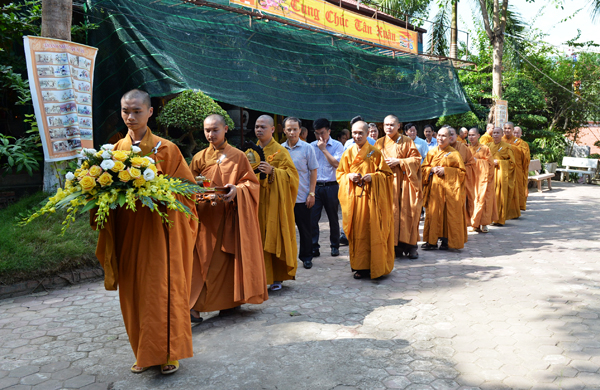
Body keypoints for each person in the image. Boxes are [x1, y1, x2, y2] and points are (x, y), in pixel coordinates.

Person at [93, 89, 198, 375]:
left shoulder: (167, 149)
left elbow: (188, 193)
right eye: (125, 111)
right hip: (128, 235)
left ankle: (168, 353)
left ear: (150, 112)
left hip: (159, 236)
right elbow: (103, 199)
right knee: (134, 294)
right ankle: (143, 352)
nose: (130, 117)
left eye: (137, 111)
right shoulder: (113, 153)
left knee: (162, 292)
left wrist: (161, 192)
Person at [189, 114, 268, 322]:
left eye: (215, 130)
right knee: (201, 262)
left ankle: (229, 303)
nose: (210, 134)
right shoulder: (198, 158)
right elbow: (187, 186)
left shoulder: (238, 156)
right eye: (207, 130)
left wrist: (237, 189)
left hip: (229, 218)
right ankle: (194, 306)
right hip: (205, 218)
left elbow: (251, 184)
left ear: (225, 129)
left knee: (225, 262)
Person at [337, 120, 394, 279]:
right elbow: (340, 175)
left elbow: (387, 176)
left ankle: (376, 265)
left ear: (367, 133)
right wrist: (349, 176)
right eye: (354, 133)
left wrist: (374, 177)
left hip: (372, 200)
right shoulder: (348, 153)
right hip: (354, 201)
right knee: (358, 234)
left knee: (374, 232)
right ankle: (360, 267)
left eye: (360, 133)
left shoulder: (375, 152)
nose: (357, 136)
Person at [255, 115, 299, 291]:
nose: (259, 130)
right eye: (257, 127)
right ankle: (258, 277)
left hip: (275, 203)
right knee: (257, 239)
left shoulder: (281, 151)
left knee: (274, 236)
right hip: (256, 203)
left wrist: (274, 171)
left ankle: (276, 278)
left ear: (273, 129)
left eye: (263, 127)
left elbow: (293, 178)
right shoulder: (249, 152)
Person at [376, 115, 422, 259]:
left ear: (398, 126)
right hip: (386, 185)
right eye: (386, 125)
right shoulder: (379, 143)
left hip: (404, 185)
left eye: (391, 125)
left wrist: (399, 161)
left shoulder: (407, 141)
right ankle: (394, 246)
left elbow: (417, 160)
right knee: (389, 215)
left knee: (408, 214)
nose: (388, 127)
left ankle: (411, 246)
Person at [421, 127, 467, 250]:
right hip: (434, 190)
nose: (440, 138)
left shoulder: (454, 154)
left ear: (449, 138)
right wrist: (431, 169)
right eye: (439, 135)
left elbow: (462, 173)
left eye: (444, 136)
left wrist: (446, 170)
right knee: (433, 214)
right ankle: (431, 241)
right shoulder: (432, 153)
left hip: (449, 191)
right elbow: (423, 169)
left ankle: (447, 241)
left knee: (448, 215)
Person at [282, 117, 319, 269]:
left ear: (300, 130)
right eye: (289, 129)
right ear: (284, 130)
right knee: (285, 229)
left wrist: (311, 193)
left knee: (305, 229)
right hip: (284, 198)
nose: (292, 132)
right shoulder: (279, 149)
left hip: (302, 196)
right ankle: (286, 258)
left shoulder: (307, 148)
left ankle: (306, 256)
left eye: (295, 129)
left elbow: (313, 170)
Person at [311, 118, 344, 257]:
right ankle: (314, 247)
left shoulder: (337, 146)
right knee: (313, 218)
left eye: (323, 133)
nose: (320, 137)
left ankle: (334, 246)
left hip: (332, 186)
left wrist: (324, 150)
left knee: (333, 218)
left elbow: (337, 164)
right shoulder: (311, 146)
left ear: (329, 131)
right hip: (316, 187)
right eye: (317, 133)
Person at [466, 128, 498, 233]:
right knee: (472, 201)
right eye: (469, 135)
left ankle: (484, 224)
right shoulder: (466, 148)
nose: (471, 137)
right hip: (471, 180)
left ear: (478, 135)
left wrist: (477, 161)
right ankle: (474, 223)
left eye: (473, 135)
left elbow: (490, 163)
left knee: (484, 200)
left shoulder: (484, 148)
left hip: (483, 179)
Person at [489, 127, 517, 225]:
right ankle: (490, 218)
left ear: (501, 135)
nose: (495, 135)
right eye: (494, 133)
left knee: (500, 197)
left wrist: (500, 162)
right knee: (490, 197)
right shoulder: (488, 146)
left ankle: (500, 219)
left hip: (501, 175)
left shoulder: (507, 146)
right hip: (490, 175)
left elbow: (512, 163)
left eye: (498, 133)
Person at [501, 122, 522, 220]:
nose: (507, 130)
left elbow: (525, 155)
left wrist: (510, 147)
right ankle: (502, 212)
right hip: (502, 171)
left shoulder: (519, 142)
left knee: (514, 191)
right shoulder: (499, 141)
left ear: (513, 130)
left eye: (509, 128)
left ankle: (513, 212)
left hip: (515, 170)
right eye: (505, 128)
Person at [512, 126, 531, 211]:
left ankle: (518, 206)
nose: (516, 134)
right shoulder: (505, 142)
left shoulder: (524, 144)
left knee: (520, 188)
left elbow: (527, 158)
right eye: (514, 132)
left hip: (519, 169)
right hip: (509, 169)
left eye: (517, 132)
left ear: (521, 134)